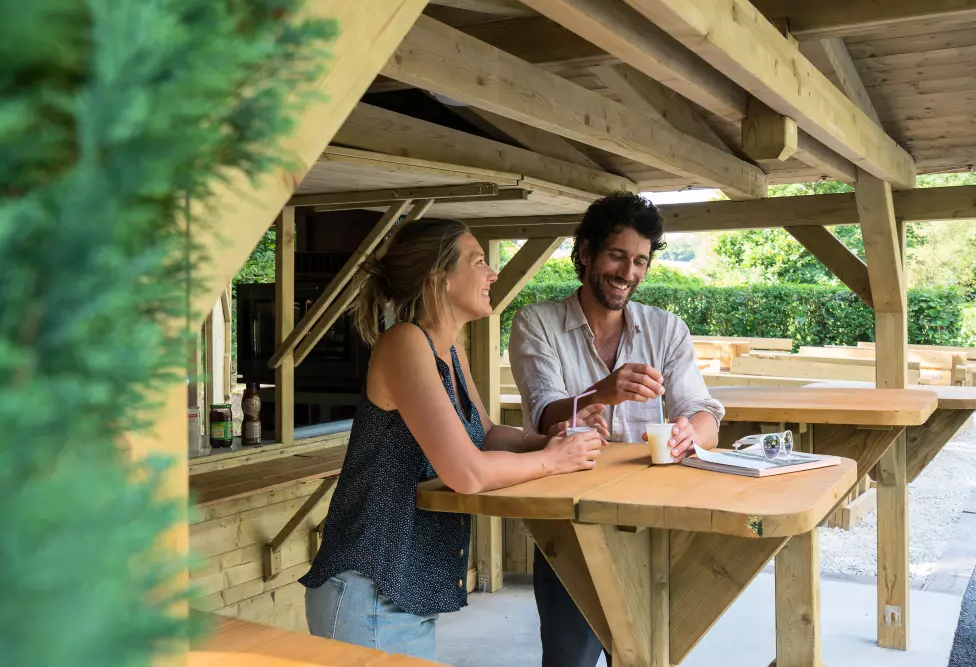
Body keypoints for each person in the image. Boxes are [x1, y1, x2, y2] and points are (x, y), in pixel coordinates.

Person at [300, 218, 609, 661]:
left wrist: (546, 441)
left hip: (400, 591)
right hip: (370, 589)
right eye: (479, 261)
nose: (493, 273)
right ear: (438, 278)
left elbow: (483, 435)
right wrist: (553, 461)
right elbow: (466, 472)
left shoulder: (447, 348)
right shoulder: (405, 344)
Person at [509, 192, 725, 667]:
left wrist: (693, 433)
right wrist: (600, 392)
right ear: (586, 253)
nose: (629, 273)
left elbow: (703, 411)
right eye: (617, 256)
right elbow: (545, 414)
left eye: (640, 261)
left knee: (647, 657)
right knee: (569, 660)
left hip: (653, 520)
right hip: (569, 522)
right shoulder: (535, 322)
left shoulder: (666, 330)